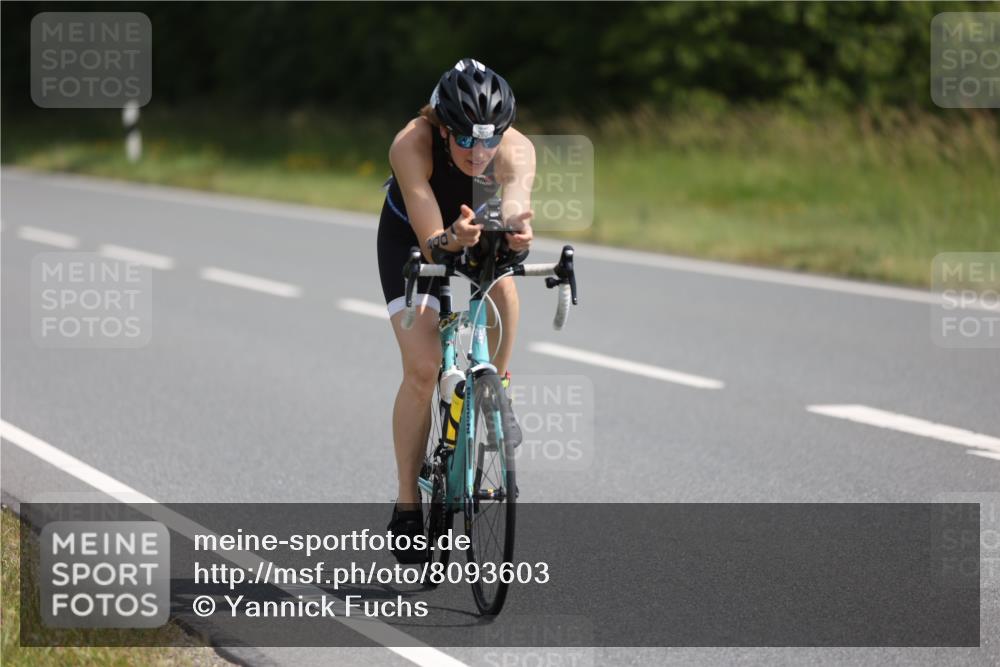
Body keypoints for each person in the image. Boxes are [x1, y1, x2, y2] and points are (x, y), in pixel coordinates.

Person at [376, 58, 535, 560]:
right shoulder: (411, 143)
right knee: (423, 369)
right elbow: (430, 241)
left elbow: (513, 202)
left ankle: (497, 388)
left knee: (504, 286)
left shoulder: (517, 149)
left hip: (475, 222)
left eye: (488, 139)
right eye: (465, 139)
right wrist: (451, 239)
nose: (478, 151)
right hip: (412, 235)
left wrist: (514, 231)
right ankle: (406, 503)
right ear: (442, 128)